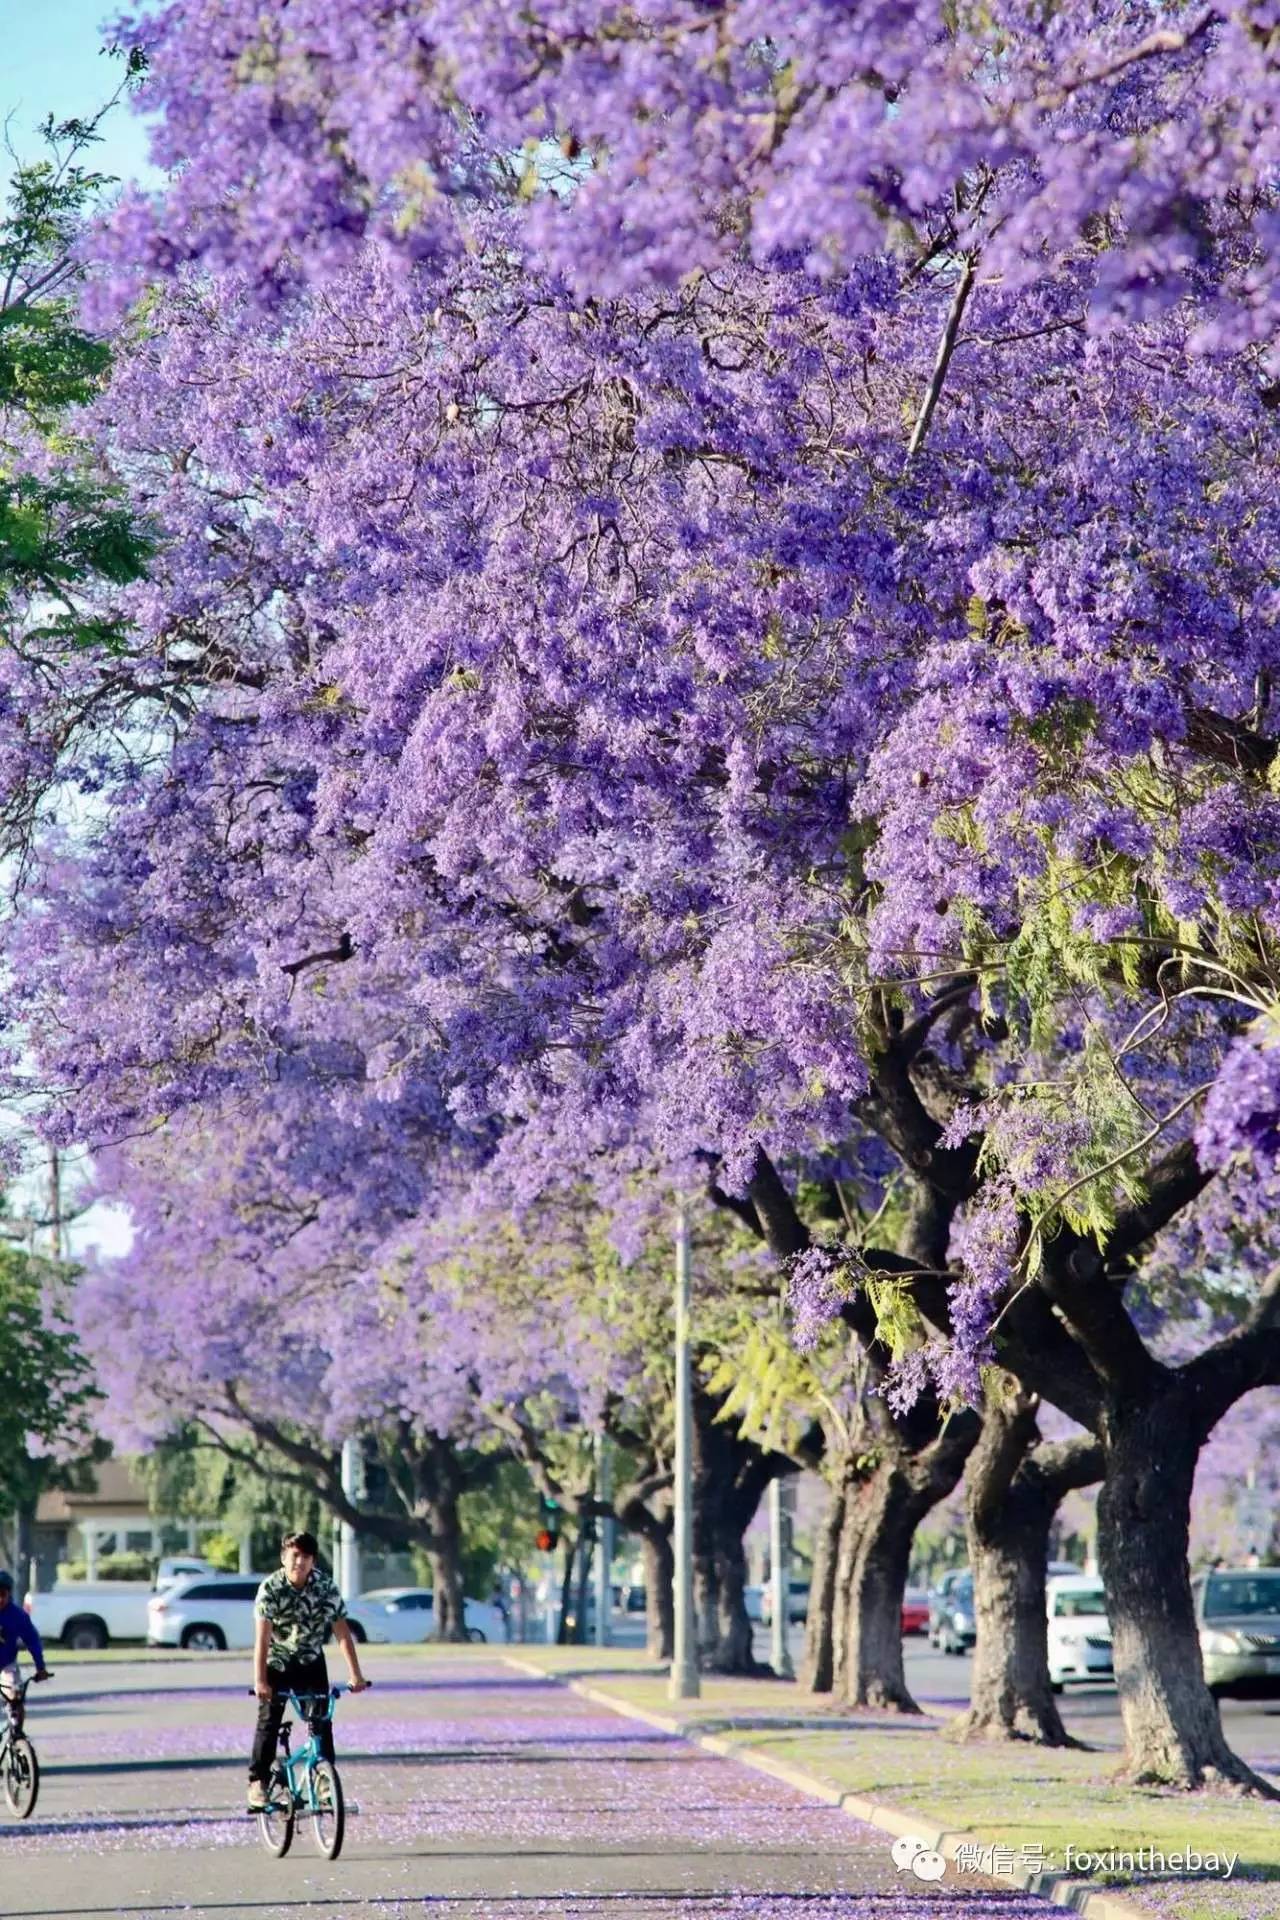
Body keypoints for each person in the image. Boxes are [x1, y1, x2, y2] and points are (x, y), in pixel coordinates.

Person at [247, 1530, 369, 1809]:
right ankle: (258, 1782)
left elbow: (342, 1633)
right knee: (269, 1720)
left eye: (306, 1557)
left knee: (321, 1721)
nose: (299, 1562)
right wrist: (260, 1681)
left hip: (310, 1661)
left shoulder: (325, 1588)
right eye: (294, 1556)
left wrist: (356, 1675)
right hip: (277, 1662)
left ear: (313, 1561)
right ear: (284, 1558)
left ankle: (324, 1782)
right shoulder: (270, 1589)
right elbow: (262, 1639)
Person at [0, 1571, 49, 1694]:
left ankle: (15, 1710)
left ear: (9, 1594)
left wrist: (40, 1667)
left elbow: (33, 1642)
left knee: (15, 1693)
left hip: (7, 1664)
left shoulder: (18, 1616)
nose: (0, 1599)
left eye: (2, 1594)